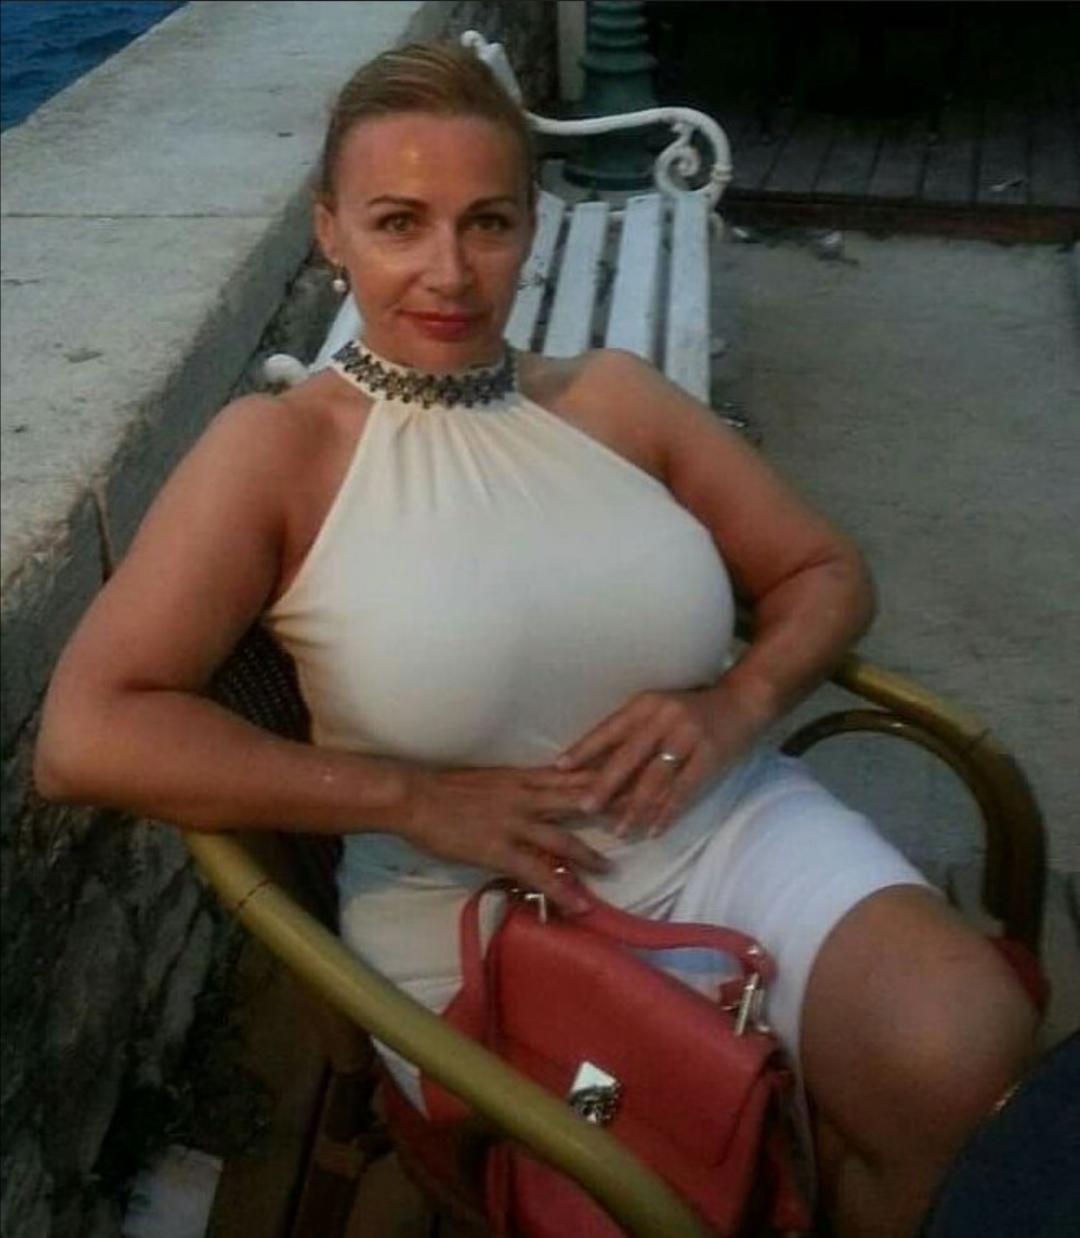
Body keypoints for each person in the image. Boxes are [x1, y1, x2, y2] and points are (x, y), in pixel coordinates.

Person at [34, 41, 1036, 1237]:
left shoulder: (614, 400)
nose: (450, 272)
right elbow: (87, 731)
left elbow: (824, 570)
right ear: (329, 231)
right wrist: (411, 796)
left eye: (489, 222)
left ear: (531, 227)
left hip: (723, 822)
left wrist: (737, 701)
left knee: (964, 1055)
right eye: (399, 223)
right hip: (474, 901)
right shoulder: (279, 451)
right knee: (653, 1197)